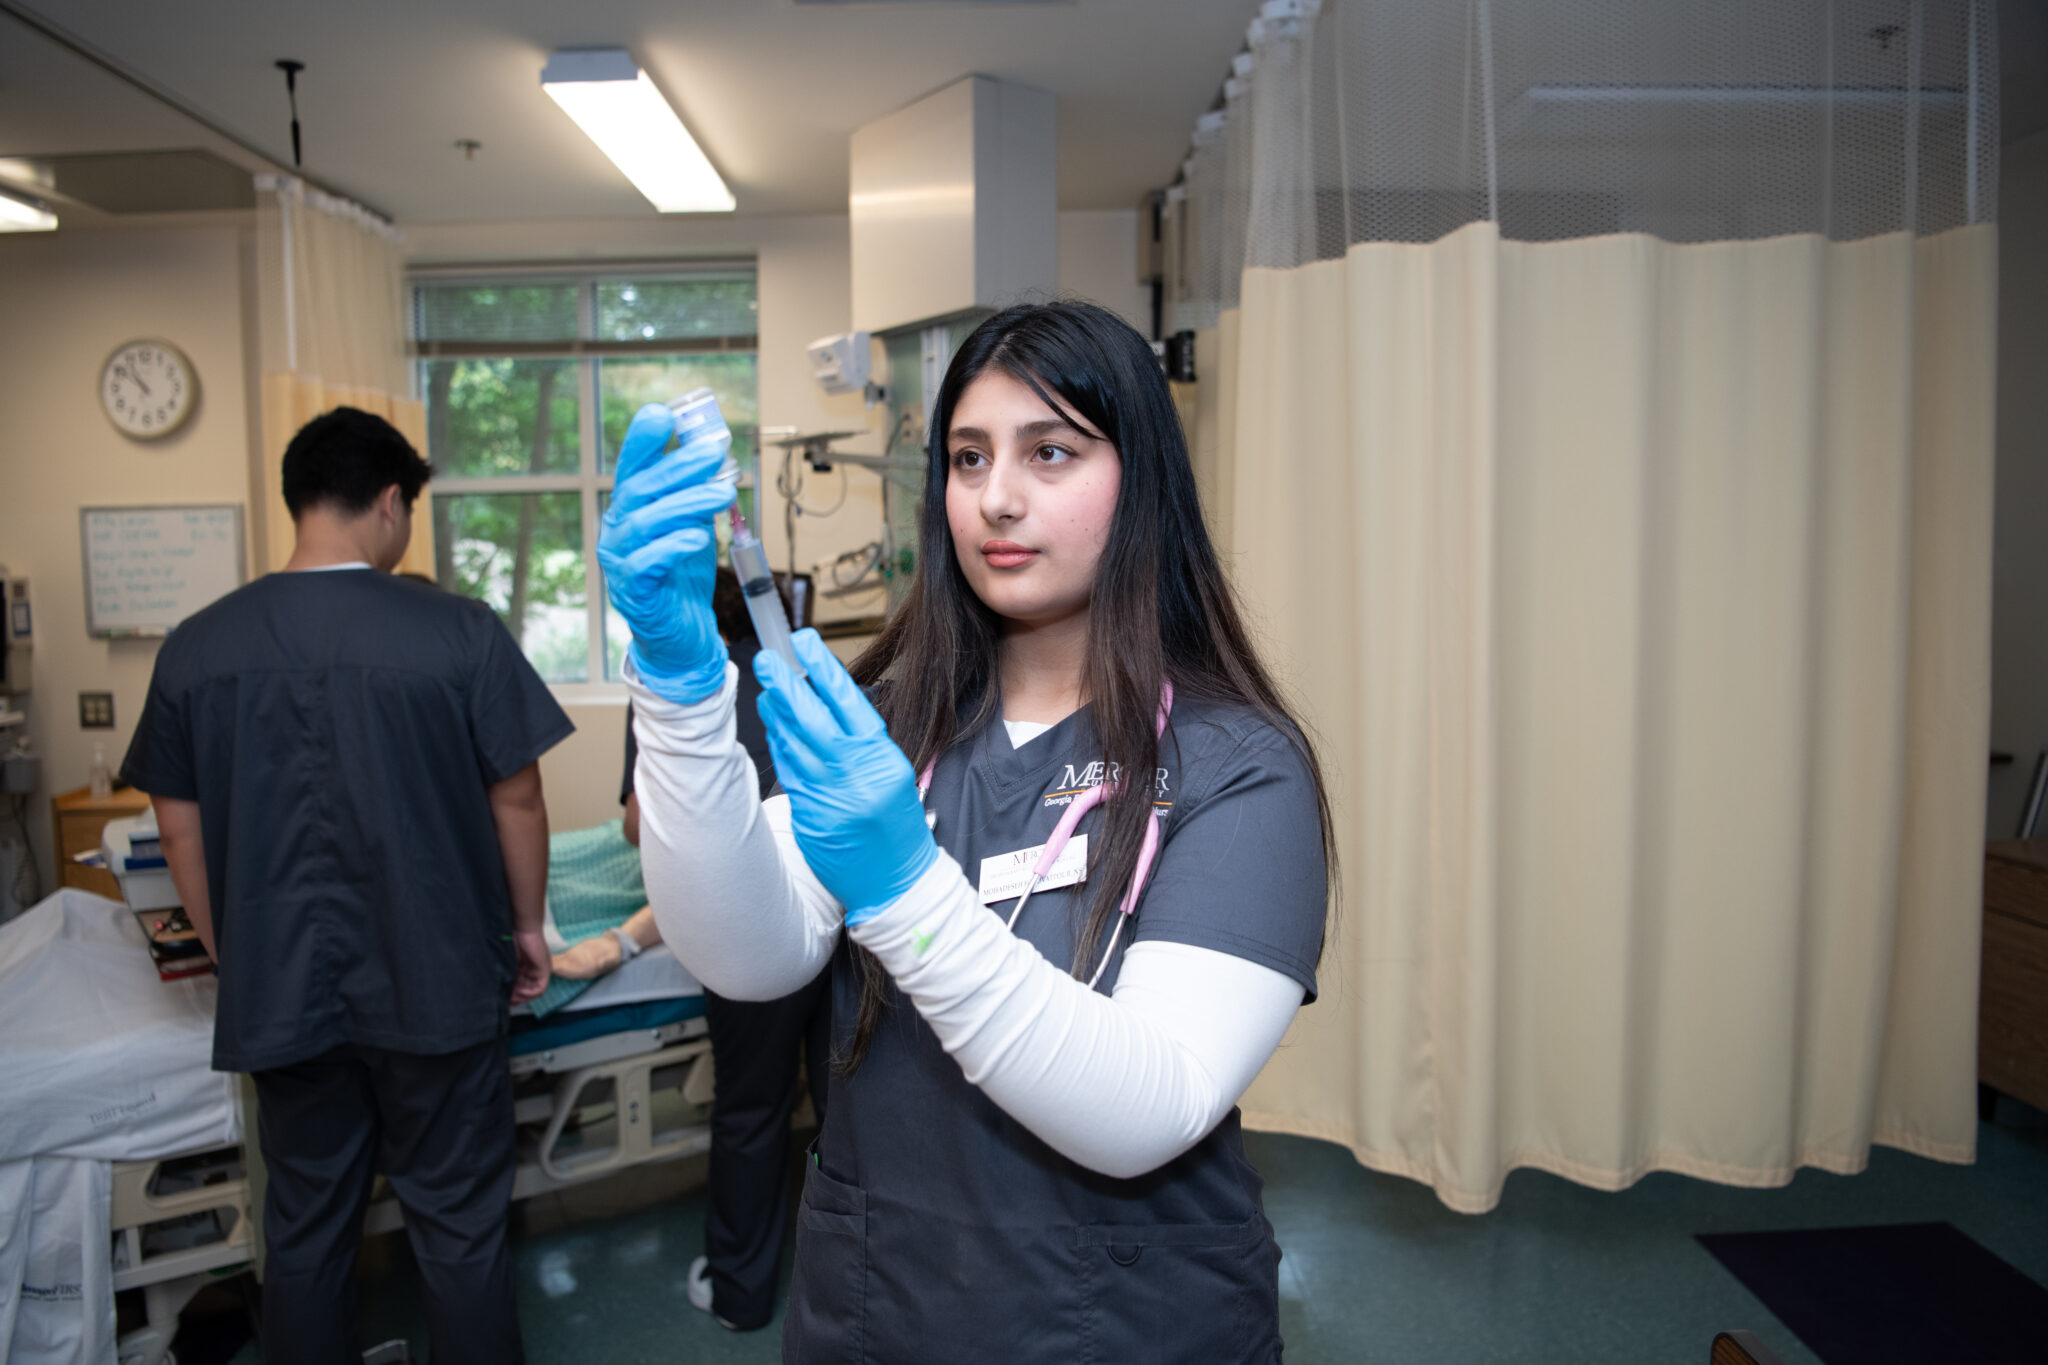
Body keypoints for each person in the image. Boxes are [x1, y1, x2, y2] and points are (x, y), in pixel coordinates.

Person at [600, 301, 1336, 1362]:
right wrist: (676, 692)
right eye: (966, 457)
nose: (995, 496)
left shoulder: (1234, 764)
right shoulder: (893, 726)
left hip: (1127, 1322)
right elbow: (744, 957)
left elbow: (1154, 1104)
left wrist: (904, 889)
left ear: (1145, 481)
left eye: (1051, 452)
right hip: (877, 1308)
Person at [122, 407, 572, 1365]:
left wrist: (235, 949)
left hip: (282, 990)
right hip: (441, 983)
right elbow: (520, 796)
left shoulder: (197, 646)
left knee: (307, 1235)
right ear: (389, 502)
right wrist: (527, 926)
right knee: (459, 1231)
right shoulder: (457, 630)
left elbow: (178, 825)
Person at [612, 566, 831, 1332]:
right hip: (842, 895)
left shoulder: (676, 683)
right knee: (846, 1109)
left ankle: (741, 1292)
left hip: (752, 915)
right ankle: (863, 1288)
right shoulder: (801, 660)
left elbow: (645, 824)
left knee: (751, 1107)